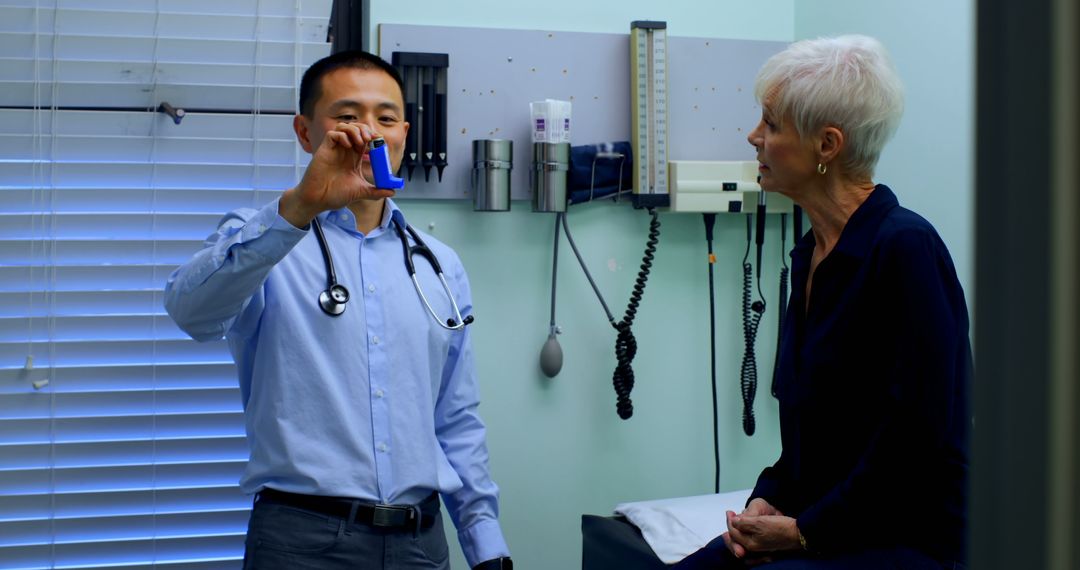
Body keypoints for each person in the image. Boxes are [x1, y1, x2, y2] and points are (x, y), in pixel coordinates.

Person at [164, 50, 513, 570]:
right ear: (306, 133)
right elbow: (190, 312)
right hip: (303, 542)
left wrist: (486, 545)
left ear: (404, 135)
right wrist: (300, 207)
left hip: (422, 542)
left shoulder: (439, 264)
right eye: (348, 116)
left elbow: (456, 417)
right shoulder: (263, 237)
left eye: (386, 118)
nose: (370, 132)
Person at [676, 35, 971, 570]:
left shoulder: (905, 249)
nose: (753, 137)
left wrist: (803, 531)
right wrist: (768, 499)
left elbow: (915, 443)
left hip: (904, 538)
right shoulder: (811, 253)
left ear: (827, 146)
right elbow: (813, 439)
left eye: (771, 124)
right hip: (826, 523)